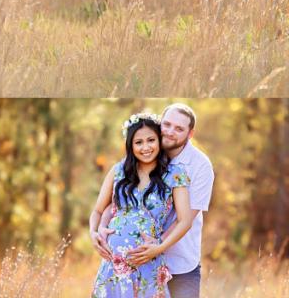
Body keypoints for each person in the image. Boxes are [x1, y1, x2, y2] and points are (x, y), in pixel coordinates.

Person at [92, 104, 215, 298]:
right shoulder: (140, 158)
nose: (170, 132)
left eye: (179, 128)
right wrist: (99, 229)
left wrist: (156, 248)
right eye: (167, 124)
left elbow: (185, 219)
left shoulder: (197, 167)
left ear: (190, 134)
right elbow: (114, 205)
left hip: (178, 261)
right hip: (122, 266)